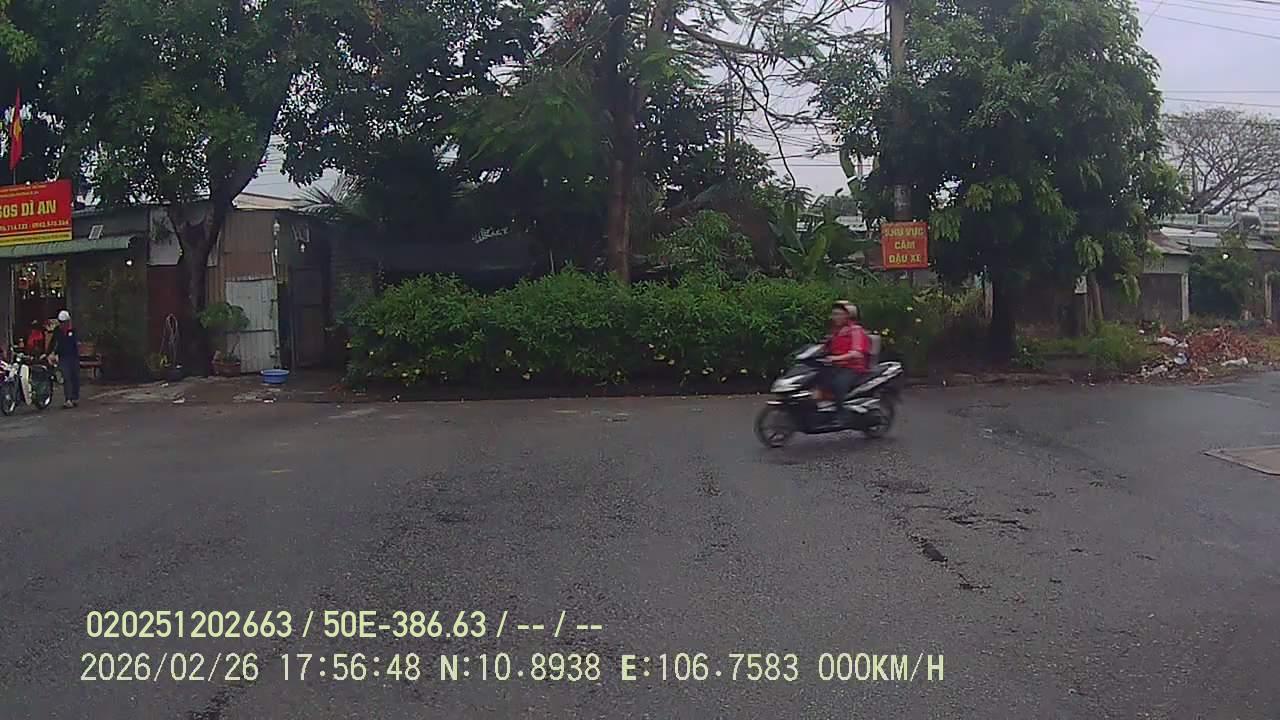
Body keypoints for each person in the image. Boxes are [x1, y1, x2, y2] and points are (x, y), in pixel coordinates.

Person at [819, 301, 871, 422]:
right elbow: (825, 347)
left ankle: (842, 414)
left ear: (848, 315)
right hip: (837, 366)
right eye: (834, 314)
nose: (835, 317)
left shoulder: (855, 330)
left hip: (853, 368)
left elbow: (857, 353)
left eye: (839, 314)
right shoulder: (836, 331)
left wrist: (836, 358)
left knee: (838, 384)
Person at [52, 309, 79, 408]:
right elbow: (53, 342)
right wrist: (49, 353)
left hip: (73, 356)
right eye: (60, 322)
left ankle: (75, 397)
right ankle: (68, 399)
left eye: (63, 322)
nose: (61, 324)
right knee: (66, 377)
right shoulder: (57, 330)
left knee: (74, 377)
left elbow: (74, 344)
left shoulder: (73, 330)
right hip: (63, 357)